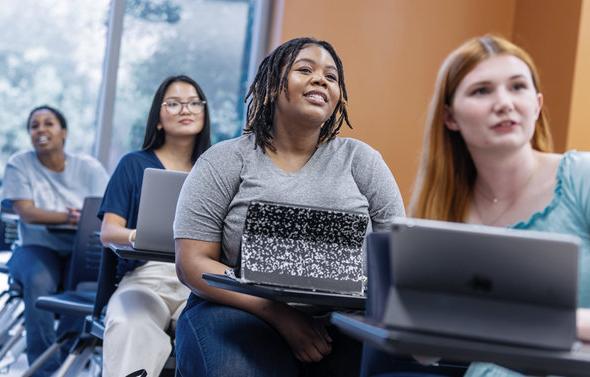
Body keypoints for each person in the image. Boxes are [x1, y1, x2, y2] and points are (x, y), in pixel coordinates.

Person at [173, 37, 405, 377]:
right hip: (238, 312)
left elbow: (397, 258)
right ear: (270, 88)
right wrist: (280, 314)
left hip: (342, 320)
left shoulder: (363, 161)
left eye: (331, 76)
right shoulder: (224, 160)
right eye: (305, 70)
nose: (320, 80)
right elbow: (192, 263)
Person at [410, 34, 590, 376]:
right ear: (450, 117)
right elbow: (425, 350)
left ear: (536, 104)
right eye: (482, 91)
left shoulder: (583, 176)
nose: (504, 103)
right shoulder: (444, 213)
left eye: (518, 87)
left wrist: (528, 322)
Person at [97, 75, 211, 377]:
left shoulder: (215, 170)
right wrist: (141, 235)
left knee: (218, 335)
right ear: (158, 119)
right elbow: (109, 232)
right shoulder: (133, 164)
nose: (185, 109)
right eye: (173, 103)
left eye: (193, 102)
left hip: (201, 283)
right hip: (147, 278)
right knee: (130, 325)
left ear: (204, 112)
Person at [3, 105, 108, 376]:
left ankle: (64, 361)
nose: (41, 130)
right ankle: (45, 370)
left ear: (64, 133)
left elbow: (103, 212)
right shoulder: (20, 164)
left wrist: (80, 218)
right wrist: (71, 217)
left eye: (48, 123)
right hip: (36, 249)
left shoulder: (89, 168)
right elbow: (26, 212)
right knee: (39, 279)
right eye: (34, 125)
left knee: (88, 284)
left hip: (80, 250)